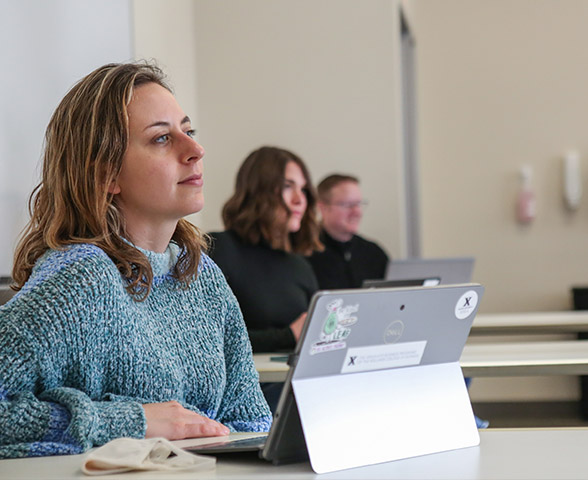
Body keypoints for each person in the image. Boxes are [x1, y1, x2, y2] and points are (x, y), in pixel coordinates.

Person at [0, 62, 271, 459]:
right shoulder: (80, 278)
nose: (195, 150)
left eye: (189, 131)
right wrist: (133, 422)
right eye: (162, 138)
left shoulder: (201, 276)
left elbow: (251, 423)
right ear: (107, 174)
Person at [207, 147, 322, 356]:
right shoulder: (220, 249)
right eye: (288, 186)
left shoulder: (300, 266)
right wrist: (287, 336)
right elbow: (207, 337)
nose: (299, 199)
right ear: (259, 191)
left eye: (303, 189)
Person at [307, 174, 389, 289]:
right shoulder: (305, 254)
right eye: (348, 205)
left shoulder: (374, 254)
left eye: (359, 204)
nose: (357, 212)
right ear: (323, 207)